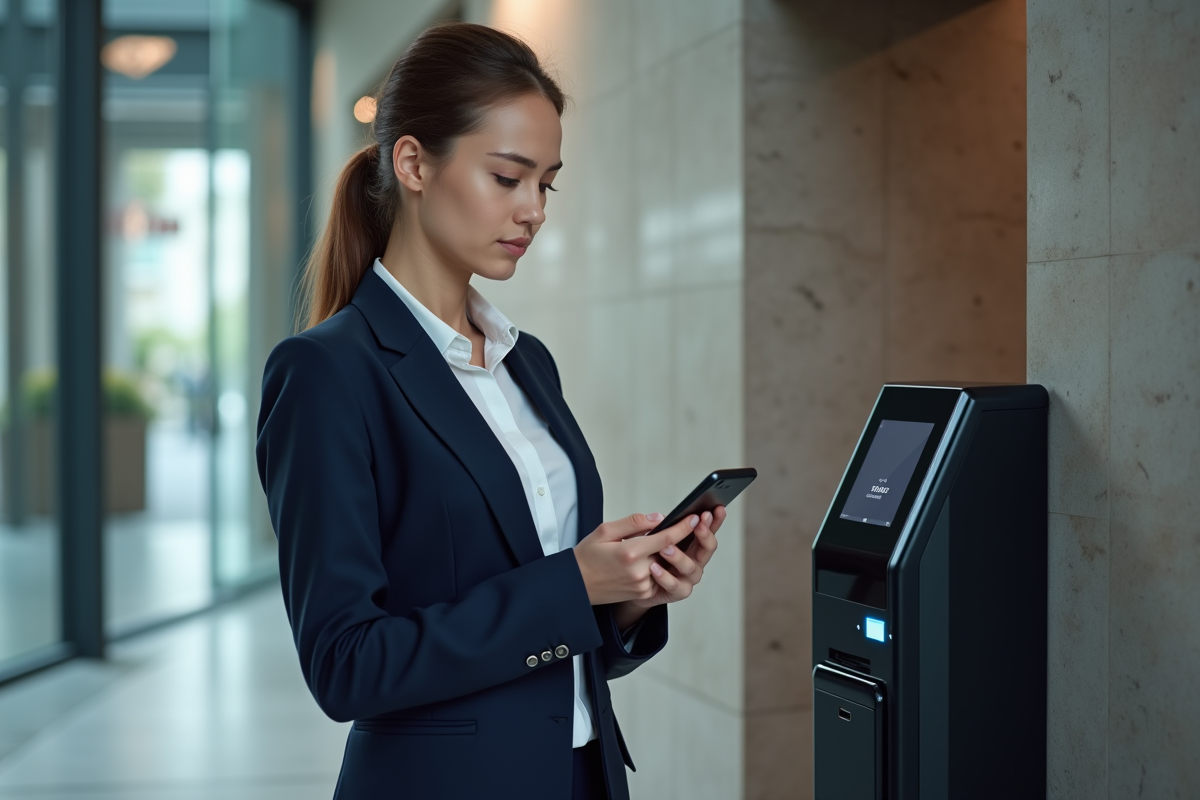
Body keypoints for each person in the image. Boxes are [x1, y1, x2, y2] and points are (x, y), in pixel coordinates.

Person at [255, 22, 727, 800]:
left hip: (583, 777)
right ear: (412, 163)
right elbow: (345, 666)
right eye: (508, 178)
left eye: (547, 183)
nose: (534, 210)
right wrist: (572, 585)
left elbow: (560, 641)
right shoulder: (326, 373)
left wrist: (630, 598)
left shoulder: (526, 360)